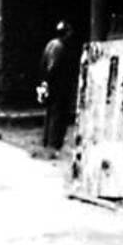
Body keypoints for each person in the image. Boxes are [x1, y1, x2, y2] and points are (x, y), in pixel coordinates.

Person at [39, 21, 79, 151]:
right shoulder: (59, 47)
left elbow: (43, 64)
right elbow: (53, 67)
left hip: (50, 84)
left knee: (50, 113)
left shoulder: (50, 44)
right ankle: (53, 143)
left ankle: (46, 140)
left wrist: (44, 82)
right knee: (58, 114)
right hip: (58, 86)